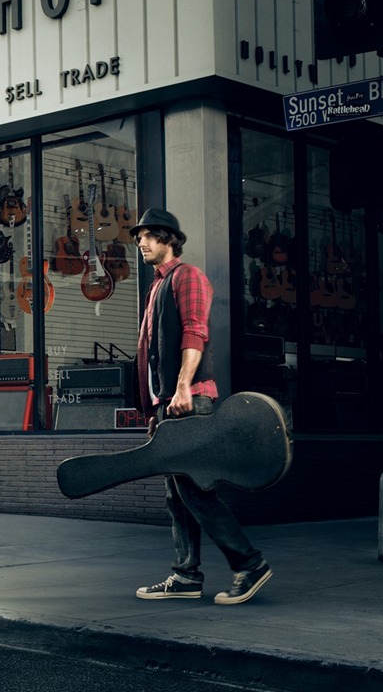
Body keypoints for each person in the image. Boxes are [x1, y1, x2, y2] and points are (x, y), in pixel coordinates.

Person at [130, 208, 272, 606]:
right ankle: (186, 575)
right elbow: (152, 354)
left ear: (168, 239)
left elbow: (195, 330)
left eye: (147, 236)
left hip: (187, 401)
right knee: (177, 495)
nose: (140, 243)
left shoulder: (186, 276)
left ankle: (249, 563)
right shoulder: (156, 287)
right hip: (169, 406)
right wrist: (154, 409)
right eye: (138, 237)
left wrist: (182, 389)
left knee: (194, 489)